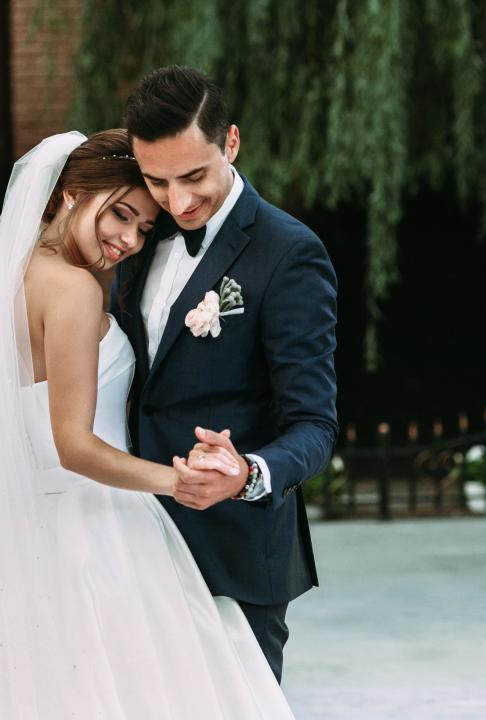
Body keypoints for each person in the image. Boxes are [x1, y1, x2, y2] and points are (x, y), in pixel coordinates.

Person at [0, 129, 294, 719]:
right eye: (121, 215)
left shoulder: (13, 277)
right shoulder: (75, 290)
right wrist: (175, 481)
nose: (128, 240)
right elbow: (73, 445)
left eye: (144, 229)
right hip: (91, 529)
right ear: (72, 194)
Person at [116, 66, 339, 682]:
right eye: (157, 181)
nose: (178, 202)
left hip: (235, 552)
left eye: (194, 177)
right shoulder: (133, 236)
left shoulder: (290, 254)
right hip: (130, 544)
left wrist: (248, 474)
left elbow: (314, 425)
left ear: (231, 143)